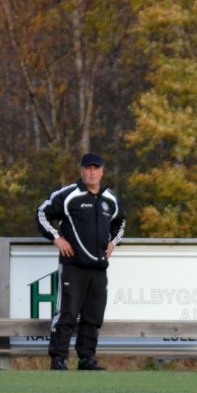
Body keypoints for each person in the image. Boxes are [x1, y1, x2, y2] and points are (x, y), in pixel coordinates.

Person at [35, 152, 125, 371]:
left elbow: (120, 222)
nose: (92, 173)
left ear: (102, 171)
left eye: (96, 168)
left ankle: (86, 359)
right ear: (82, 171)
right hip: (73, 266)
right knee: (67, 313)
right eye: (88, 168)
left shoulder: (110, 199)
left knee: (93, 315)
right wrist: (57, 238)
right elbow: (42, 214)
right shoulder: (68, 195)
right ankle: (59, 358)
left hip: (99, 268)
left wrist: (113, 242)